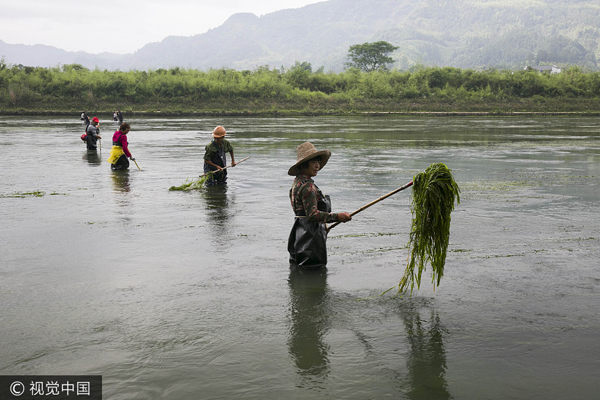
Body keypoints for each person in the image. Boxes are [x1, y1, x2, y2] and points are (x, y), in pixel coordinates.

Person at [288, 142, 352, 268]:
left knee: (300, 271)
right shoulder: (308, 187)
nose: (317, 165)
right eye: (313, 162)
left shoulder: (297, 183)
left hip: (298, 234)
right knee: (314, 270)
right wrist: (338, 217)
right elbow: (312, 215)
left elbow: (303, 214)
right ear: (303, 164)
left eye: (318, 161)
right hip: (311, 239)